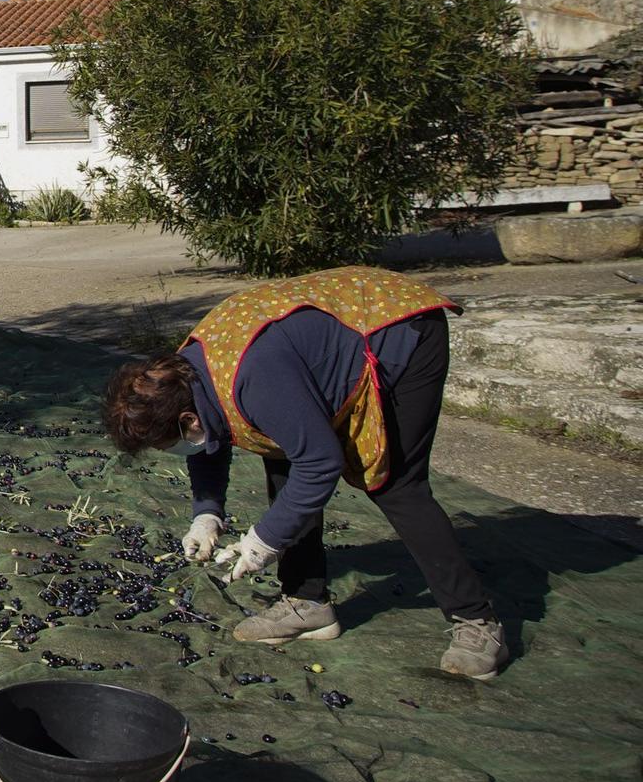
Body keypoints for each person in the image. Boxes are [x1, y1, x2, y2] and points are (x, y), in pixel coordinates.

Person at [102, 265, 508, 680]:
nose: (175, 450)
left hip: (397, 327)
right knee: (281, 456)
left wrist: (264, 541)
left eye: (169, 443)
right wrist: (207, 514)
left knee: (396, 484)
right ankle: (307, 602)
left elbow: (320, 463)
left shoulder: (253, 380)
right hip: (312, 350)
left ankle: (475, 621)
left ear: (186, 419)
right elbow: (211, 440)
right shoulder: (185, 375)